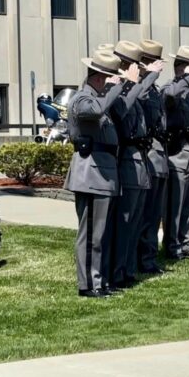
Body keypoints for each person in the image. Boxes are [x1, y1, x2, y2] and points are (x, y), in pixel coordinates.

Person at [64, 48, 125, 298]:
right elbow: (93, 111)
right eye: (110, 78)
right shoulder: (82, 98)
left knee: (99, 234)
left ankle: (98, 280)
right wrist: (115, 88)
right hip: (90, 175)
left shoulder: (99, 98)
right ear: (100, 77)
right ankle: (88, 284)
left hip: (102, 174)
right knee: (90, 235)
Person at [109, 41, 162, 289]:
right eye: (133, 66)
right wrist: (134, 82)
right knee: (125, 221)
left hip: (141, 160)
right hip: (128, 159)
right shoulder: (118, 88)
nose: (137, 70)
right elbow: (120, 111)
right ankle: (119, 273)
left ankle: (128, 269)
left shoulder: (136, 90)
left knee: (136, 220)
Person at [162, 45, 189, 260]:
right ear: (182, 68)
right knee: (175, 204)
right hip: (178, 153)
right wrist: (187, 79)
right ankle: (172, 246)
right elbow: (169, 95)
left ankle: (184, 243)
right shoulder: (173, 87)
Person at [137, 40, 169, 274]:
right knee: (146, 213)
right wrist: (149, 76)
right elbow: (137, 98)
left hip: (158, 153)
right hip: (147, 155)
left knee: (153, 212)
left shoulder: (153, 87)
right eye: (154, 62)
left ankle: (148, 256)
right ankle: (144, 259)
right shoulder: (141, 85)